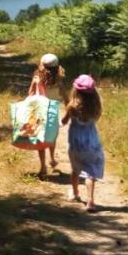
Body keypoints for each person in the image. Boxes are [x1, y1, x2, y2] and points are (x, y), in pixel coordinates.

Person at [62, 74, 104, 211]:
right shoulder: (96, 107)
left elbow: (63, 121)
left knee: (75, 169)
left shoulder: (71, 107)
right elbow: (96, 119)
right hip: (92, 144)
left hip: (75, 145)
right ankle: (90, 199)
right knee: (90, 172)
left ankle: (75, 193)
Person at [28, 53, 70, 178]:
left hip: (39, 113)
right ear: (57, 68)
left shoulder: (36, 80)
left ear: (41, 67)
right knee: (51, 138)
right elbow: (67, 101)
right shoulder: (59, 84)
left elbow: (30, 95)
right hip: (53, 115)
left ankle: (42, 167)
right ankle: (52, 158)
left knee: (40, 139)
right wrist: (68, 116)